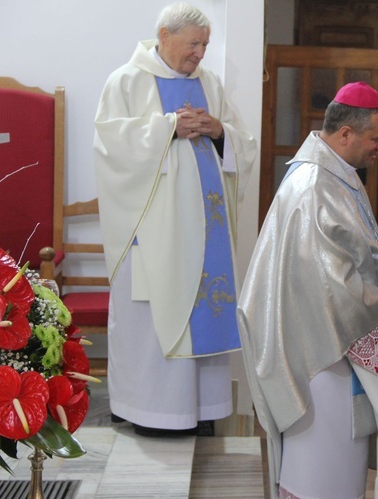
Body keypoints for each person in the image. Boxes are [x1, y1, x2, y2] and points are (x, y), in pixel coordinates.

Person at [237, 82, 378, 499]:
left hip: (335, 345)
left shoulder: (338, 177)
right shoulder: (315, 185)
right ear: (346, 134)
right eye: (376, 137)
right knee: (321, 472)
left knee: (339, 471)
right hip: (323, 358)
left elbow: (369, 253)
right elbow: (332, 286)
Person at [93, 2, 257, 436]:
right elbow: (110, 145)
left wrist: (219, 131)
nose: (200, 53)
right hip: (152, 233)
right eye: (193, 44)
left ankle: (202, 409)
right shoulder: (126, 81)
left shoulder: (210, 83)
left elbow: (244, 144)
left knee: (204, 315)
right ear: (164, 36)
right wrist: (168, 127)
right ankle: (149, 410)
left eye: (205, 44)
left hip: (208, 234)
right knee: (149, 327)